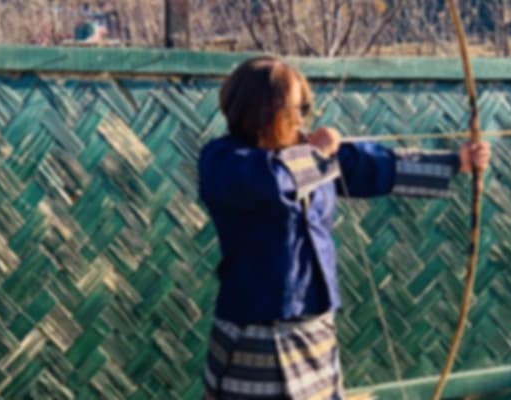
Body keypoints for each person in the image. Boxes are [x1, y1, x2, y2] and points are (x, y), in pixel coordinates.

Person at [198, 56, 490, 399]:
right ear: (264, 111)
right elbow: (274, 183)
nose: (301, 119)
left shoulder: (303, 153)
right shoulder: (223, 160)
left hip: (315, 330)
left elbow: (372, 165)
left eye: (304, 109)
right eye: (294, 109)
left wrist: (457, 162)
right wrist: (318, 153)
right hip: (255, 334)